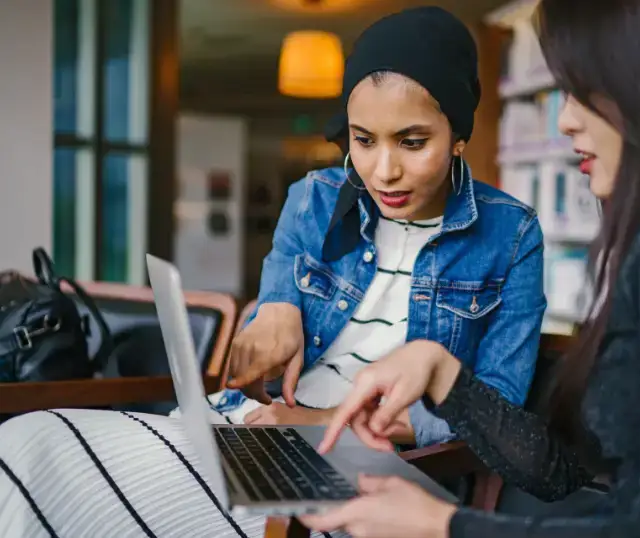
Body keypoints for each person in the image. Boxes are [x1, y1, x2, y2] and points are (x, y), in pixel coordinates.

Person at [0, 7, 547, 537]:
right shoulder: (314, 198)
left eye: (412, 142)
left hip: (372, 473)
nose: (384, 170)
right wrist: (271, 316)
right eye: (362, 140)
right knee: (27, 442)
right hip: (250, 429)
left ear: (458, 135)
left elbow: (491, 411)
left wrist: (330, 422)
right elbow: (275, 311)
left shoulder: (512, 235)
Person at [296, 0, 640, 536]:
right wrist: (443, 373)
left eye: (583, 89)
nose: (566, 120)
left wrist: (443, 527)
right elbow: (563, 474)